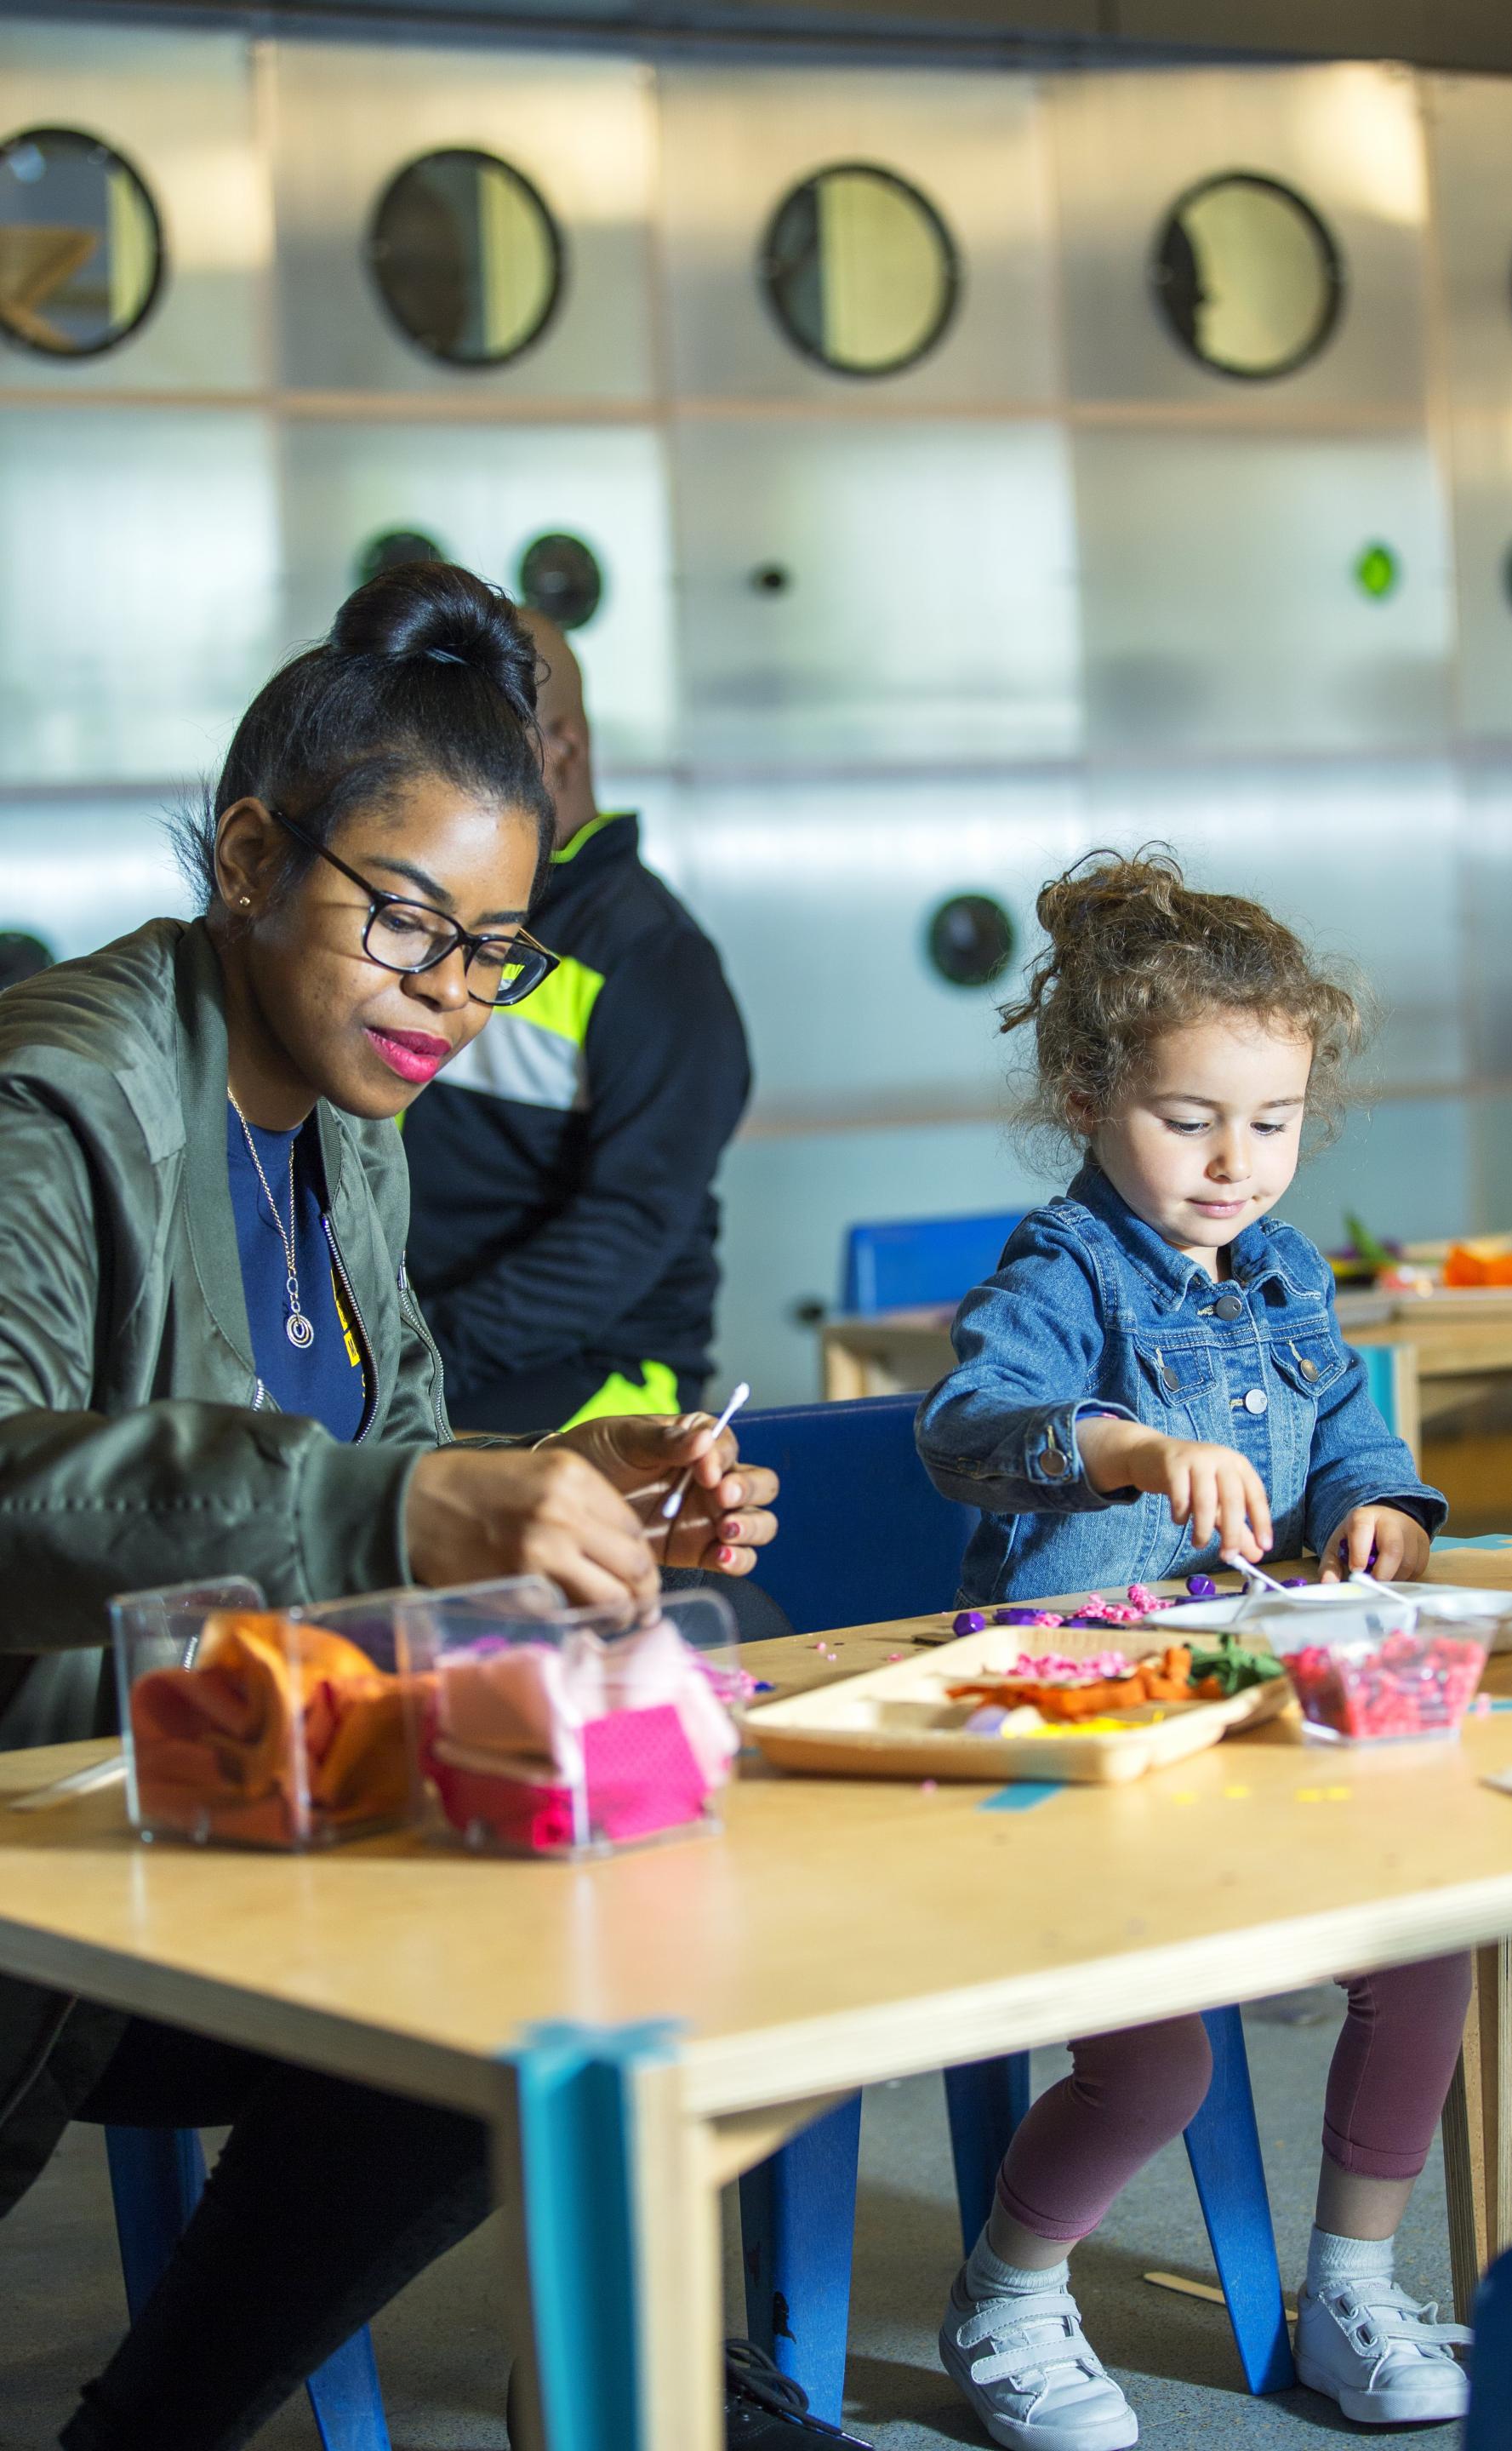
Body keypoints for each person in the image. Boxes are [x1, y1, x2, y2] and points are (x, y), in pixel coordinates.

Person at [0, 562, 781, 2451]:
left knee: (580, 1958)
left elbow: (400, 1430)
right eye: (411, 924)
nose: (450, 995)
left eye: (493, 949)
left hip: (218, 1800)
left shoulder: (349, 1119)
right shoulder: (63, 1089)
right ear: (255, 857)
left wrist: (565, 1496)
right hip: (50, 1855)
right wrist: (403, 1506)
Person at [916, 850, 1469, 2449]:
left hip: (1259, 1714)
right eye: (1190, 1121)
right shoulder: (1061, 1269)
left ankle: (1352, 2288)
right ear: (1090, 1096)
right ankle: (1012, 2293)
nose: (1238, 1165)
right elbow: (968, 1428)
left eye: (1274, 1125)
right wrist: (1132, 1451)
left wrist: (1387, 1518)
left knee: (1427, 1953)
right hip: (1082, 1730)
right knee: (1155, 2070)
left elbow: (1358, 1439)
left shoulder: (1290, 1275)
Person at [402, 608, 750, 1435]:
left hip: (602, 1373)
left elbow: (627, 1232)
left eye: (476, 751)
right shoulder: (442, 923)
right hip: (430, 1351)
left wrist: (424, 1355)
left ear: (559, 749)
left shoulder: (652, 957)